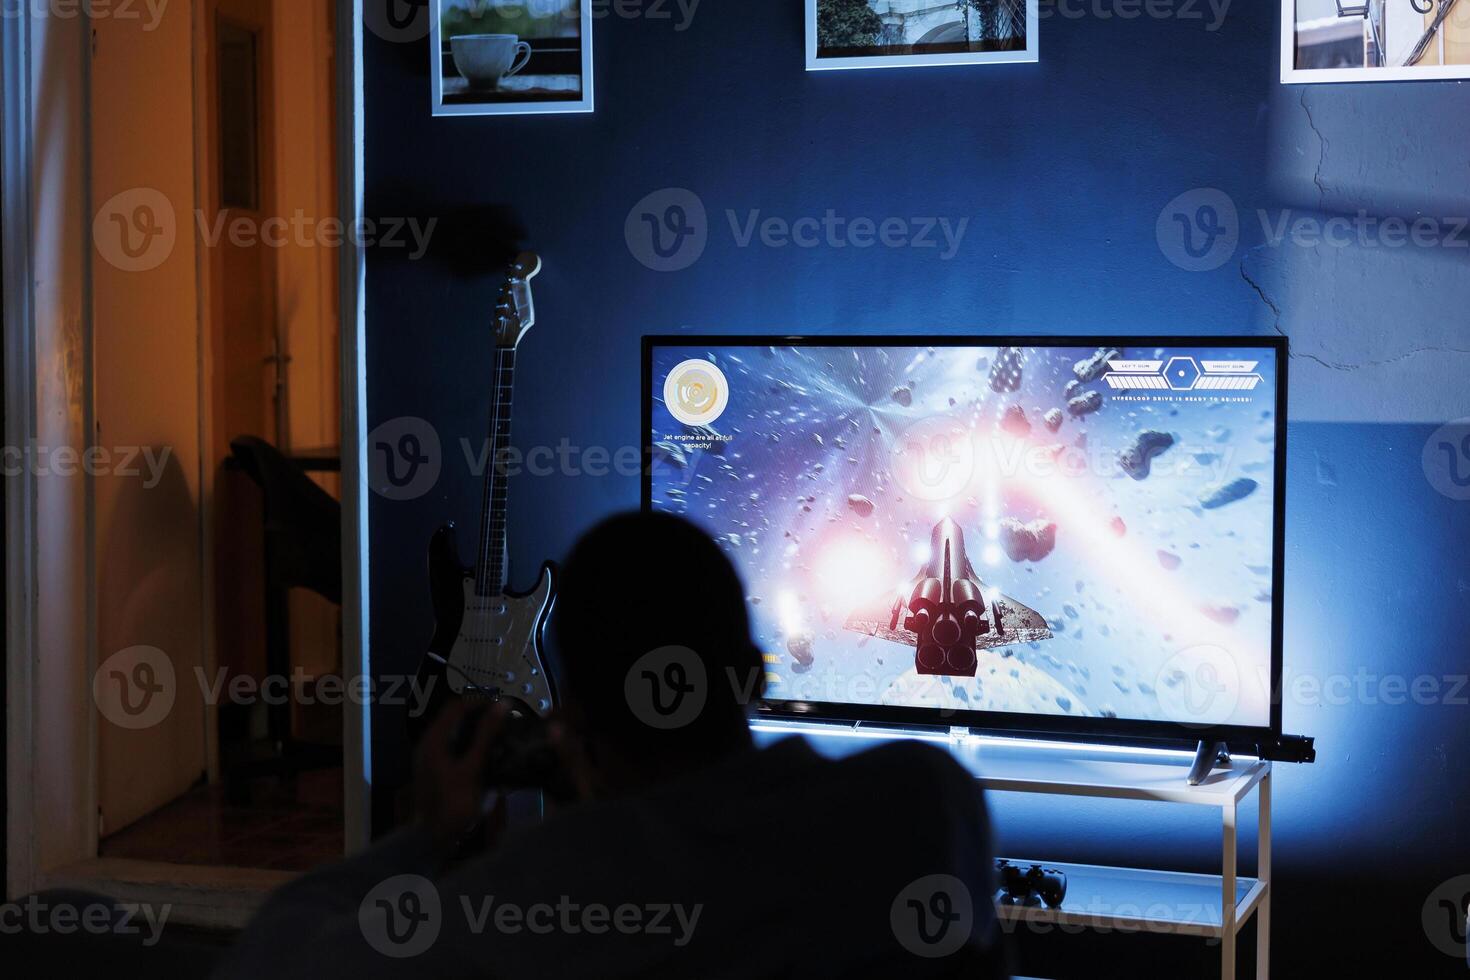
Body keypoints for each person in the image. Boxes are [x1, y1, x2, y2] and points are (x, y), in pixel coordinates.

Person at [217, 511, 1006, 979]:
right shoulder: (929, 802)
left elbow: (274, 959)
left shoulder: (538, 893)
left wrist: (428, 836)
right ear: (751, 678)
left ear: (574, 716)